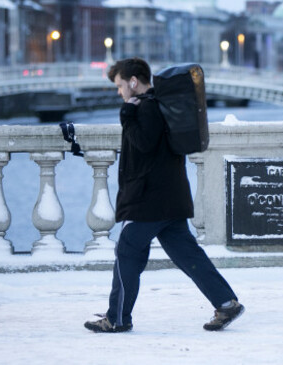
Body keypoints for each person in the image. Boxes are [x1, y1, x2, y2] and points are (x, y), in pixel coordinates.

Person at [84, 57, 244, 333]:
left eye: (120, 86)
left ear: (133, 82)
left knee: (127, 253)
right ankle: (226, 303)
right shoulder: (162, 105)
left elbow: (143, 145)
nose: (120, 92)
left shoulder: (145, 109)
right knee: (188, 255)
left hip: (147, 202)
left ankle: (117, 318)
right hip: (171, 198)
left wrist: (126, 114)